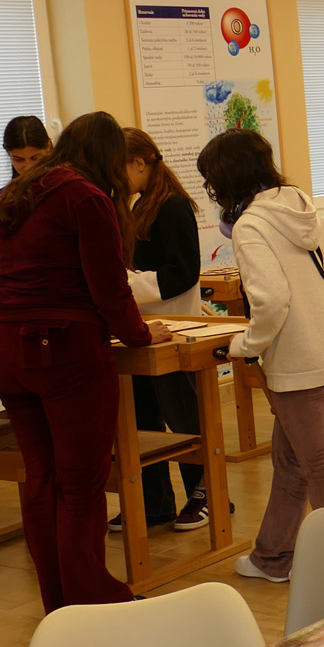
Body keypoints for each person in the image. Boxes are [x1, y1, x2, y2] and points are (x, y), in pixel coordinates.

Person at [0, 112, 171, 611]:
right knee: (80, 485)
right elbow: (109, 288)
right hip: (64, 350)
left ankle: (59, 600)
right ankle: (94, 601)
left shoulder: (15, 194)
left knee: (40, 479)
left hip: (7, 346)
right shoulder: (85, 197)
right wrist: (140, 334)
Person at [194, 130, 324, 584]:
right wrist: (312, 313)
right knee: (292, 461)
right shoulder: (296, 203)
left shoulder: (251, 226)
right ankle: (273, 557)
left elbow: (271, 303)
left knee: (319, 468)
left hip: (299, 366)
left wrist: (245, 346)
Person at [120, 127, 208, 531]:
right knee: (144, 420)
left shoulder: (172, 206)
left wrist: (128, 285)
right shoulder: (140, 204)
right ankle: (155, 502)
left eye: (118, 168)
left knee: (185, 419)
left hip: (175, 327)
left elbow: (184, 272)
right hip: (145, 328)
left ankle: (207, 496)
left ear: (139, 163)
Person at [0, 115, 52, 257]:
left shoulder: (68, 193)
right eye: (19, 160)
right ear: (8, 154)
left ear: (49, 147)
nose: (29, 167)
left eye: (35, 158)